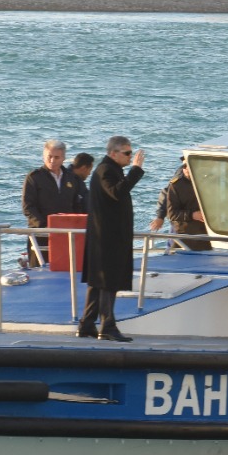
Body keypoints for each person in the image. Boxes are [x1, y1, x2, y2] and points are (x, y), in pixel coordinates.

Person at [79, 136, 145, 341]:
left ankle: (87, 323)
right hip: (107, 237)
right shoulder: (106, 171)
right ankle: (107, 325)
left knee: (98, 281)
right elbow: (118, 192)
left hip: (106, 236)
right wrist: (136, 170)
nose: (130, 157)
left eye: (131, 153)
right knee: (108, 281)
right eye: (127, 153)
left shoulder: (109, 170)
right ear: (113, 153)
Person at [21, 139, 87, 267]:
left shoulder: (72, 178)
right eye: (49, 157)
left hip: (67, 235)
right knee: (40, 272)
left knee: (68, 270)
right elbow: (28, 207)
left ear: (63, 158)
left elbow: (79, 204)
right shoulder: (34, 178)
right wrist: (45, 227)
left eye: (56, 157)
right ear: (43, 156)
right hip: (40, 235)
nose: (52, 160)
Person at [150, 162, 213, 251]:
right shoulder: (178, 182)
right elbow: (167, 197)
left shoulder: (210, 179)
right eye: (185, 167)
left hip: (205, 231)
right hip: (183, 229)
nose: (187, 169)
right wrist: (160, 216)